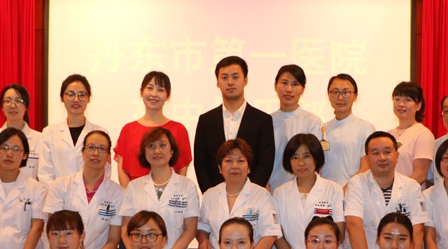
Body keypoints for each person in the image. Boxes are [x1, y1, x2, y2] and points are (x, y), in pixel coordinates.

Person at [194, 139, 281, 249]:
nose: (234, 166)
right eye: (228, 161)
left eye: (240, 161)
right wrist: (203, 240)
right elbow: (202, 227)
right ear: (220, 168)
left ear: (249, 168)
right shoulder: (210, 195)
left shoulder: (262, 195)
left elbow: (270, 235)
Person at [343, 132, 426, 249]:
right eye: (376, 153)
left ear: (397, 156)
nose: (382, 157)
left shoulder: (411, 186)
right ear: (367, 159)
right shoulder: (357, 184)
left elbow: (417, 231)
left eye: (387, 152)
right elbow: (353, 225)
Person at [118, 127, 200, 249]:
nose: (156, 151)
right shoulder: (133, 186)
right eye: (151, 146)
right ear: (144, 152)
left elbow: (190, 229)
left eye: (162, 145)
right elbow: (125, 228)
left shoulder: (187, 186)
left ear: (172, 151)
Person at [193, 56, 276, 193]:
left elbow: (265, 163)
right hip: (215, 199)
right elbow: (201, 164)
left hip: (252, 199)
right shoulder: (206, 120)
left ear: (245, 80)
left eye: (235, 77)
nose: (230, 82)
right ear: (217, 82)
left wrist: (249, 194)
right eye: (224, 77)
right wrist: (212, 195)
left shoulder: (262, 120)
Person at [272, 133, 345, 249]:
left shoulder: (333, 189)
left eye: (306, 156)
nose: (300, 163)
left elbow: (339, 233)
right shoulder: (280, 193)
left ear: (316, 158)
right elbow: (277, 235)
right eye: (295, 157)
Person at [43, 130, 123, 249]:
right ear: (82, 151)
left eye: (101, 149)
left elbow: (113, 240)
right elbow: (53, 231)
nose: (96, 153)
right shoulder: (61, 185)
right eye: (91, 147)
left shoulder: (118, 193)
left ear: (108, 155)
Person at [113, 71, 193, 187]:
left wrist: (170, 194)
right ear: (141, 92)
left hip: (169, 193)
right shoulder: (128, 129)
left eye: (161, 90)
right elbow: (122, 170)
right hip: (135, 193)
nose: (154, 94)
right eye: (150, 88)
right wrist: (130, 194)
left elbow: (181, 169)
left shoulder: (178, 129)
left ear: (167, 96)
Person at [37, 74, 108, 184]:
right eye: (70, 94)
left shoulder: (101, 133)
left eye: (82, 95)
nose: (76, 99)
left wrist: (87, 192)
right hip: (57, 194)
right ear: (62, 98)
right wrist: (60, 193)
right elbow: (44, 174)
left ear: (88, 98)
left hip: (91, 194)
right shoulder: (49, 133)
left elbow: (105, 170)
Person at [268, 65, 321, 191]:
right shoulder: (267, 121)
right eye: (284, 83)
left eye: (295, 84)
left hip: (303, 190)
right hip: (270, 190)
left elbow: (315, 159)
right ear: (275, 86)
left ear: (303, 89)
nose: (289, 89)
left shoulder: (312, 121)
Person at [319, 74, 375, 187]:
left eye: (346, 92)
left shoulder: (365, 128)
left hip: (354, 191)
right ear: (329, 96)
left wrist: (345, 190)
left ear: (355, 96)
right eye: (335, 92)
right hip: (326, 192)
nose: (340, 97)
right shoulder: (322, 129)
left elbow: (366, 166)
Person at [0, 84, 43, 182]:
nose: (13, 106)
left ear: (26, 106)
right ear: (2, 107)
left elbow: (42, 176)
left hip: (30, 191)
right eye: (8, 101)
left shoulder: (40, 139)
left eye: (19, 101)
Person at [388, 81, 434, 185]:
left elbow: (420, 175)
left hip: (410, 193)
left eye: (407, 100)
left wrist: (399, 191)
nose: (401, 104)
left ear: (418, 105)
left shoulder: (423, 134)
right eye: (397, 99)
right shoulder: (388, 134)